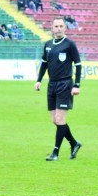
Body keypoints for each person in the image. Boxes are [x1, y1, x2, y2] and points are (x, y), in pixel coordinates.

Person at [34, 17, 83, 161]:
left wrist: (77, 85)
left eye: (61, 26)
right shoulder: (48, 45)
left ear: (65, 28)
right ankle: (74, 143)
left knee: (60, 118)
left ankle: (55, 153)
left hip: (65, 84)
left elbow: (78, 65)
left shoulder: (70, 44)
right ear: (52, 28)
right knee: (55, 120)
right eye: (56, 26)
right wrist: (38, 80)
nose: (59, 28)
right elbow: (44, 63)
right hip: (51, 85)